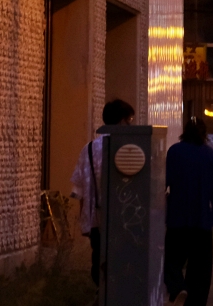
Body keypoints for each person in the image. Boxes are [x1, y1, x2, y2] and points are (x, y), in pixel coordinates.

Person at [70, 99, 135, 286]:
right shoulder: (129, 149)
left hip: (97, 220)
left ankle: (103, 295)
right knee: (123, 268)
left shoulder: (89, 149)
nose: (130, 124)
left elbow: (79, 190)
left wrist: (87, 222)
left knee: (100, 266)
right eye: (128, 120)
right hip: (126, 220)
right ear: (122, 121)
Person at [164, 118, 213, 306]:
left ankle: (178, 288)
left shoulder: (174, 152)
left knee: (173, 261)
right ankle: (196, 300)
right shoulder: (209, 155)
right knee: (201, 268)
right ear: (203, 134)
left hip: (177, 216)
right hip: (201, 218)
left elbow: (166, 181)